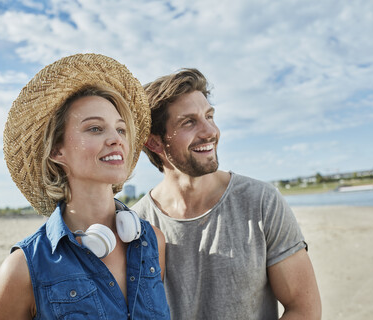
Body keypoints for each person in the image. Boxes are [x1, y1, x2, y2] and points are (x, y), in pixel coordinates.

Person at [0, 53, 170, 319]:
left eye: (121, 130)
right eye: (95, 129)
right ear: (57, 151)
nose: (115, 139)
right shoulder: (22, 269)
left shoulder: (153, 242)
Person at [132, 68, 322, 319]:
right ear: (154, 142)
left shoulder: (262, 202)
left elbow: (304, 308)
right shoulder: (137, 226)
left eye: (209, 116)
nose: (210, 131)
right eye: (189, 122)